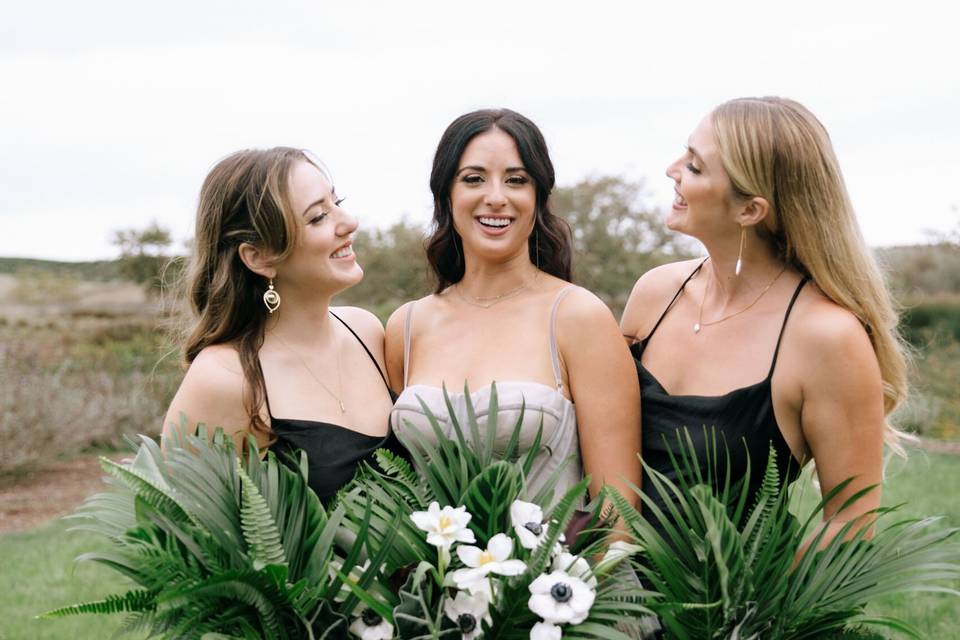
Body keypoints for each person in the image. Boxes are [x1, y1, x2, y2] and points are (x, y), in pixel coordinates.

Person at [621, 97, 909, 542]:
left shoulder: (826, 337)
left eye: (695, 167)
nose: (671, 169)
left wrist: (757, 612)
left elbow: (850, 526)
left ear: (750, 210)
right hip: (600, 595)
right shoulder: (655, 293)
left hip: (733, 604)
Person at [385, 109, 641, 506]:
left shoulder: (577, 317)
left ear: (538, 197)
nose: (496, 197)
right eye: (473, 179)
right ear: (445, 194)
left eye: (516, 180)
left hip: (558, 565)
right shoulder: (407, 326)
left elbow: (617, 514)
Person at [162, 147, 403, 505]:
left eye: (338, 202)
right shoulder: (225, 379)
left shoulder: (366, 331)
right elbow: (188, 543)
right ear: (259, 257)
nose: (349, 222)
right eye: (319, 216)